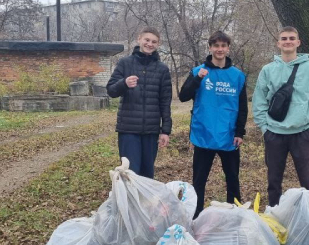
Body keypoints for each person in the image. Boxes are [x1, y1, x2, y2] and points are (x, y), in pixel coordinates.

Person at [252, 26, 309, 206]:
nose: (288, 41)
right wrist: (265, 127)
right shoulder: (268, 70)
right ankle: (275, 219)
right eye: (284, 39)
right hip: (274, 133)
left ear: (298, 42)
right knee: (274, 183)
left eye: (291, 38)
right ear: (278, 43)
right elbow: (259, 100)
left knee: (308, 183)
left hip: (302, 133)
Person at [178, 30, 247, 218]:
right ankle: (196, 216)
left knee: (232, 179)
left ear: (228, 48)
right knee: (199, 181)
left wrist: (240, 132)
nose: (219, 49)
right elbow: (183, 96)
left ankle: (236, 216)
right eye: (216, 45)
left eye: (223, 46)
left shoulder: (238, 76)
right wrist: (197, 78)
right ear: (210, 48)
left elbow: (242, 107)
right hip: (204, 135)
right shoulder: (198, 71)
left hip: (229, 136)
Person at [106, 27, 172, 179]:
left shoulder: (162, 69)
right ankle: (129, 202)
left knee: (147, 174)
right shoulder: (125, 63)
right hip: (128, 129)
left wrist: (165, 131)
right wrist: (124, 83)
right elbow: (111, 90)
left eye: (154, 42)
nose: (150, 44)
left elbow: (165, 102)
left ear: (158, 44)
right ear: (139, 39)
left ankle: (144, 203)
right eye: (147, 40)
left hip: (151, 130)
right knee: (130, 173)